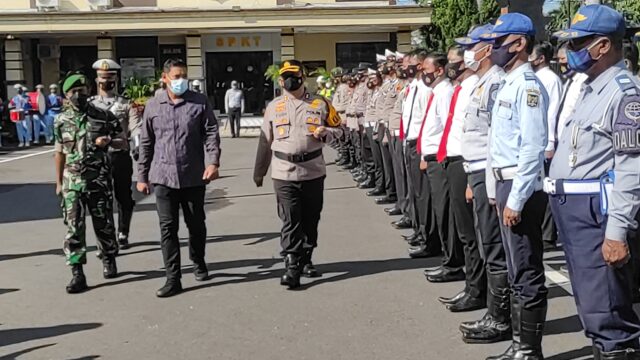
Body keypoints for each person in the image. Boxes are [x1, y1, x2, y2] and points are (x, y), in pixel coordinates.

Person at [549, 5, 640, 359]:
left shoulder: (624, 92)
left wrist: (616, 232)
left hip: (596, 214)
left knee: (608, 315)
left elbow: (631, 166)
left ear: (603, 46)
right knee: (592, 306)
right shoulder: (590, 88)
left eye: (577, 44)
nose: (569, 52)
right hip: (575, 212)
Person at [480, 13, 549, 360]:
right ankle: (520, 344)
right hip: (506, 185)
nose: (492, 50)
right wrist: (496, 192)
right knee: (515, 266)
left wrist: (516, 199)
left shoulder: (528, 86)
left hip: (522, 188)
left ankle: (528, 349)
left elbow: (532, 147)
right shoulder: (508, 82)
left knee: (525, 270)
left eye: (498, 43)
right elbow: (499, 145)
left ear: (519, 44)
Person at [253, 60, 344, 289]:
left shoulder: (321, 103)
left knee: (311, 219)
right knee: (290, 218)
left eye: (294, 75)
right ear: (281, 81)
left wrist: (326, 133)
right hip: (283, 172)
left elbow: (341, 131)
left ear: (302, 77)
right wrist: (259, 172)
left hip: (313, 170)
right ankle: (291, 266)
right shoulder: (274, 106)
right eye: (285, 77)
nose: (289, 80)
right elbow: (265, 141)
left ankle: (306, 258)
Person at [137, 59, 221, 298]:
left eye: (183, 75)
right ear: (165, 78)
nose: (180, 80)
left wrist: (213, 161)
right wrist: (142, 176)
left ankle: (198, 260)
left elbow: (211, 133)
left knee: (196, 224)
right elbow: (146, 143)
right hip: (163, 177)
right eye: (176, 76)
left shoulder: (199, 102)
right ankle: (172, 277)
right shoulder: (153, 106)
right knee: (167, 228)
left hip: (193, 175)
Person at [455, 24, 512, 344]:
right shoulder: (481, 83)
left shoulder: (496, 84)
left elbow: (496, 140)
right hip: (477, 172)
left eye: (472, 46)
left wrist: (489, 185)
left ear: (487, 49)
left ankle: (500, 318)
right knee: (485, 243)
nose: (467, 53)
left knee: (494, 248)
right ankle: (494, 311)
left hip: (489, 174)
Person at [54, 72, 125, 294]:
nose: (78, 95)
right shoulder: (60, 120)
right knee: (74, 228)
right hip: (71, 182)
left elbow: (124, 141)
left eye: (82, 91)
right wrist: (58, 182)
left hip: (98, 180)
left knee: (103, 223)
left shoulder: (103, 116)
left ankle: (108, 257)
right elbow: (59, 152)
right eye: (74, 92)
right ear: (66, 95)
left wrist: (109, 141)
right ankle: (77, 273)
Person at [433, 44, 485, 312]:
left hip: (465, 163)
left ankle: (477, 290)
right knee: (464, 231)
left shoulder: (475, 86)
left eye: (455, 61)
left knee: (470, 233)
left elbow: (472, 133)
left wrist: (469, 175)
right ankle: (471, 285)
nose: (452, 66)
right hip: (453, 160)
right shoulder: (461, 88)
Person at [90, 59, 140, 253]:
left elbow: (136, 129)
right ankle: (106, 237)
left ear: (116, 79)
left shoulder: (126, 104)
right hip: (97, 158)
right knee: (101, 200)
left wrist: (138, 148)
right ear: (97, 80)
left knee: (124, 197)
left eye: (110, 77)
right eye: (103, 78)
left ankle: (123, 232)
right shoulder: (90, 105)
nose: (106, 81)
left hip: (119, 156)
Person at [415, 52, 459, 267]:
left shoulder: (445, 93)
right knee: (438, 209)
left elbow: (447, 130)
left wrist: (436, 156)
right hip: (431, 157)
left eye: (427, 70)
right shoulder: (436, 91)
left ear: (440, 70)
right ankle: (446, 254)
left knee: (445, 211)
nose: (424, 74)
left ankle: (452, 260)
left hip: (439, 159)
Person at [529, 42, 564, 251]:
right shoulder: (536, 78)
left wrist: (550, 141)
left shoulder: (550, 79)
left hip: (547, 141)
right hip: (538, 140)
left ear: (541, 58)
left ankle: (548, 234)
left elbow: (552, 112)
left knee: (547, 187)